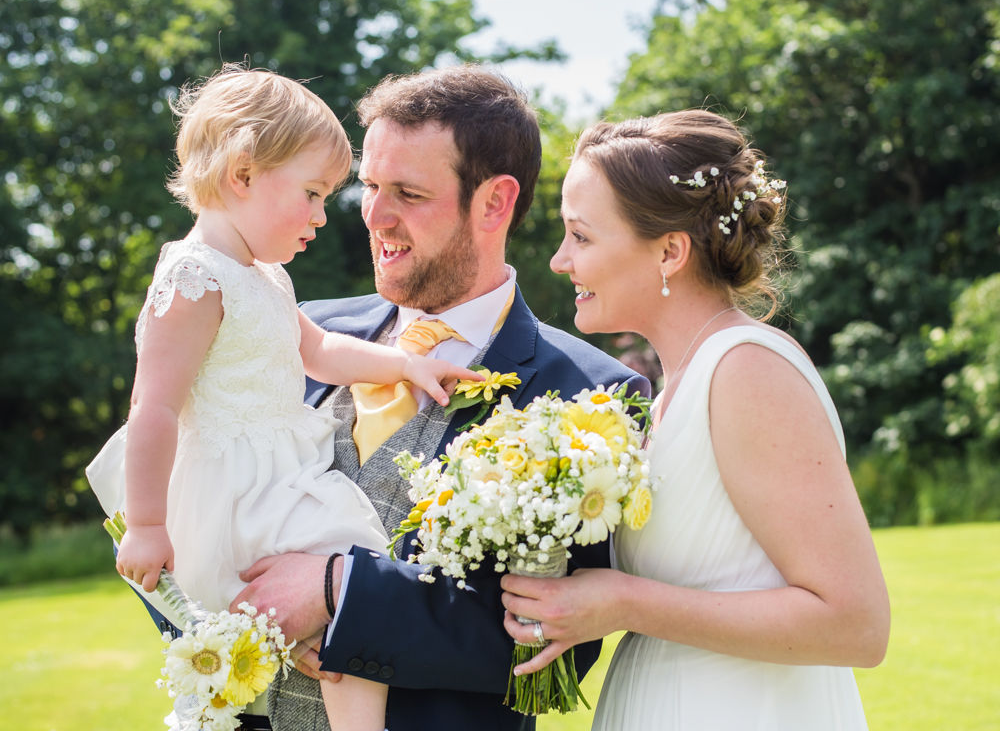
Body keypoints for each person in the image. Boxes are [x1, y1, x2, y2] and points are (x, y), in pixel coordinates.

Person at [230, 65, 651, 731]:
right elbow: (199, 488)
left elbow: (546, 652)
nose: (375, 215)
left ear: (493, 203)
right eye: (369, 186)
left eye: (408, 192)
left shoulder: (590, 396)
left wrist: (335, 594)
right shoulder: (300, 328)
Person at [87, 63, 482, 731]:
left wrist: (406, 365)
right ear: (243, 176)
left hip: (279, 477)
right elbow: (152, 407)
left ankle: (328, 680)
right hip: (235, 492)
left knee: (344, 604)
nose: (324, 217)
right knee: (355, 566)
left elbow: (321, 351)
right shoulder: (194, 279)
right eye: (311, 193)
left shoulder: (263, 277)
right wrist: (149, 523)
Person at [500, 110, 890, 729]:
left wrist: (625, 603)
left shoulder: (747, 373)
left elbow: (856, 624)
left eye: (581, 236)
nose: (558, 260)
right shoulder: (669, 390)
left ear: (670, 252)